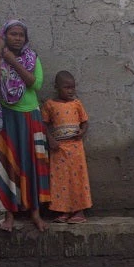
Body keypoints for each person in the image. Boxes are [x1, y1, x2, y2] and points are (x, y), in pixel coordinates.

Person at [0, 19, 50, 232]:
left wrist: (13, 62)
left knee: (31, 164)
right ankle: (9, 215)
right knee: (8, 164)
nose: (17, 38)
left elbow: (35, 83)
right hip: (5, 118)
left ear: (26, 37)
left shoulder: (32, 58)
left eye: (20, 34)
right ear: (5, 36)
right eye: (12, 34)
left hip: (30, 118)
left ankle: (35, 214)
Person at [42, 71, 93, 224]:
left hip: (76, 147)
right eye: (67, 87)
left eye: (73, 87)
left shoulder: (76, 103)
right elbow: (43, 124)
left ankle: (79, 211)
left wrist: (82, 132)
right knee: (59, 180)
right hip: (59, 149)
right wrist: (50, 140)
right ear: (57, 87)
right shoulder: (50, 105)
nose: (71, 91)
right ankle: (62, 211)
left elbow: (85, 121)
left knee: (78, 178)